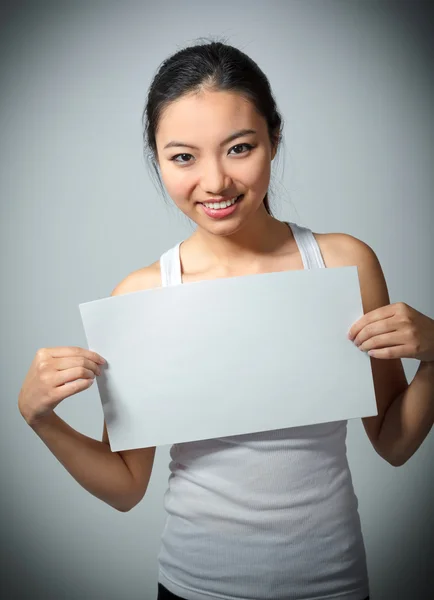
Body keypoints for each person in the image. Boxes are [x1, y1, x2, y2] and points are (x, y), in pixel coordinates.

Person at [18, 39, 434, 600]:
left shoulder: (341, 263)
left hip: (335, 586)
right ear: (158, 158)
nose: (214, 182)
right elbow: (124, 485)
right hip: (193, 589)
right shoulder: (145, 295)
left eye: (239, 148)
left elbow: (393, 441)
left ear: (274, 138)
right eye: (183, 157)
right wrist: (41, 419)